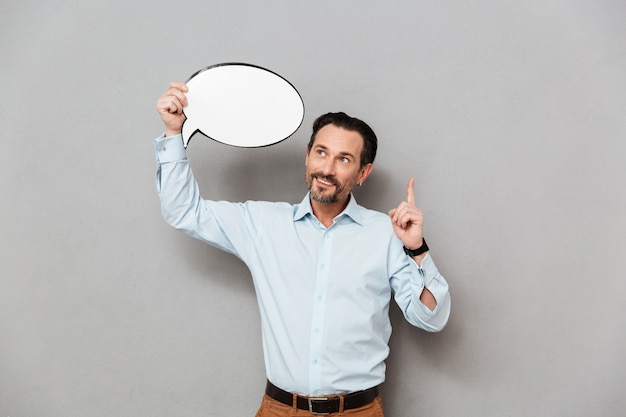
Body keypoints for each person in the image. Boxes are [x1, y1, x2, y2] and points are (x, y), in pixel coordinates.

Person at [154, 81, 451, 416]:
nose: (327, 169)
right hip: (280, 409)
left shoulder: (386, 234)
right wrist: (173, 134)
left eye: (344, 159)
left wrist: (417, 249)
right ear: (307, 156)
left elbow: (431, 318)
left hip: (357, 412)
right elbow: (185, 212)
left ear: (363, 172)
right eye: (321, 153)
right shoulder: (263, 224)